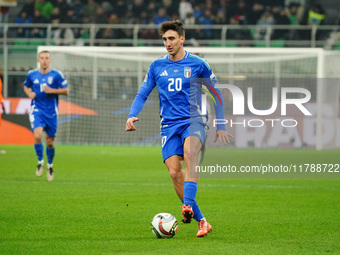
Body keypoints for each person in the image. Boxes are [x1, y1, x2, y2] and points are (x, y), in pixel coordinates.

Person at [125, 20, 233, 237]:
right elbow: (142, 93)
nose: (168, 43)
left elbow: (217, 94)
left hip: (194, 120)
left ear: (182, 39)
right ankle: (201, 220)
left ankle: (187, 205)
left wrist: (220, 124)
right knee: (175, 173)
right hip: (168, 126)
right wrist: (131, 114)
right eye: (165, 39)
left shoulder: (198, 63)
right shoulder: (157, 66)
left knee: (190, 153)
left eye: (172, 38)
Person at [23, 51, 69, 181]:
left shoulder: (56, 75)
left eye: (46, 58)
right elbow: (26, 86)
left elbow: (66, 90)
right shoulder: (32, 74)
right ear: (38, 60)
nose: (44, 60)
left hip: (52, 113)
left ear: (50, 60)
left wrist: (53, 90)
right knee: (37, 136)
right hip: (37, 110)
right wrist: (29, 93)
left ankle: (50, 165)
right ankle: (40, 162)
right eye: (42, 58)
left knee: (50, 142)